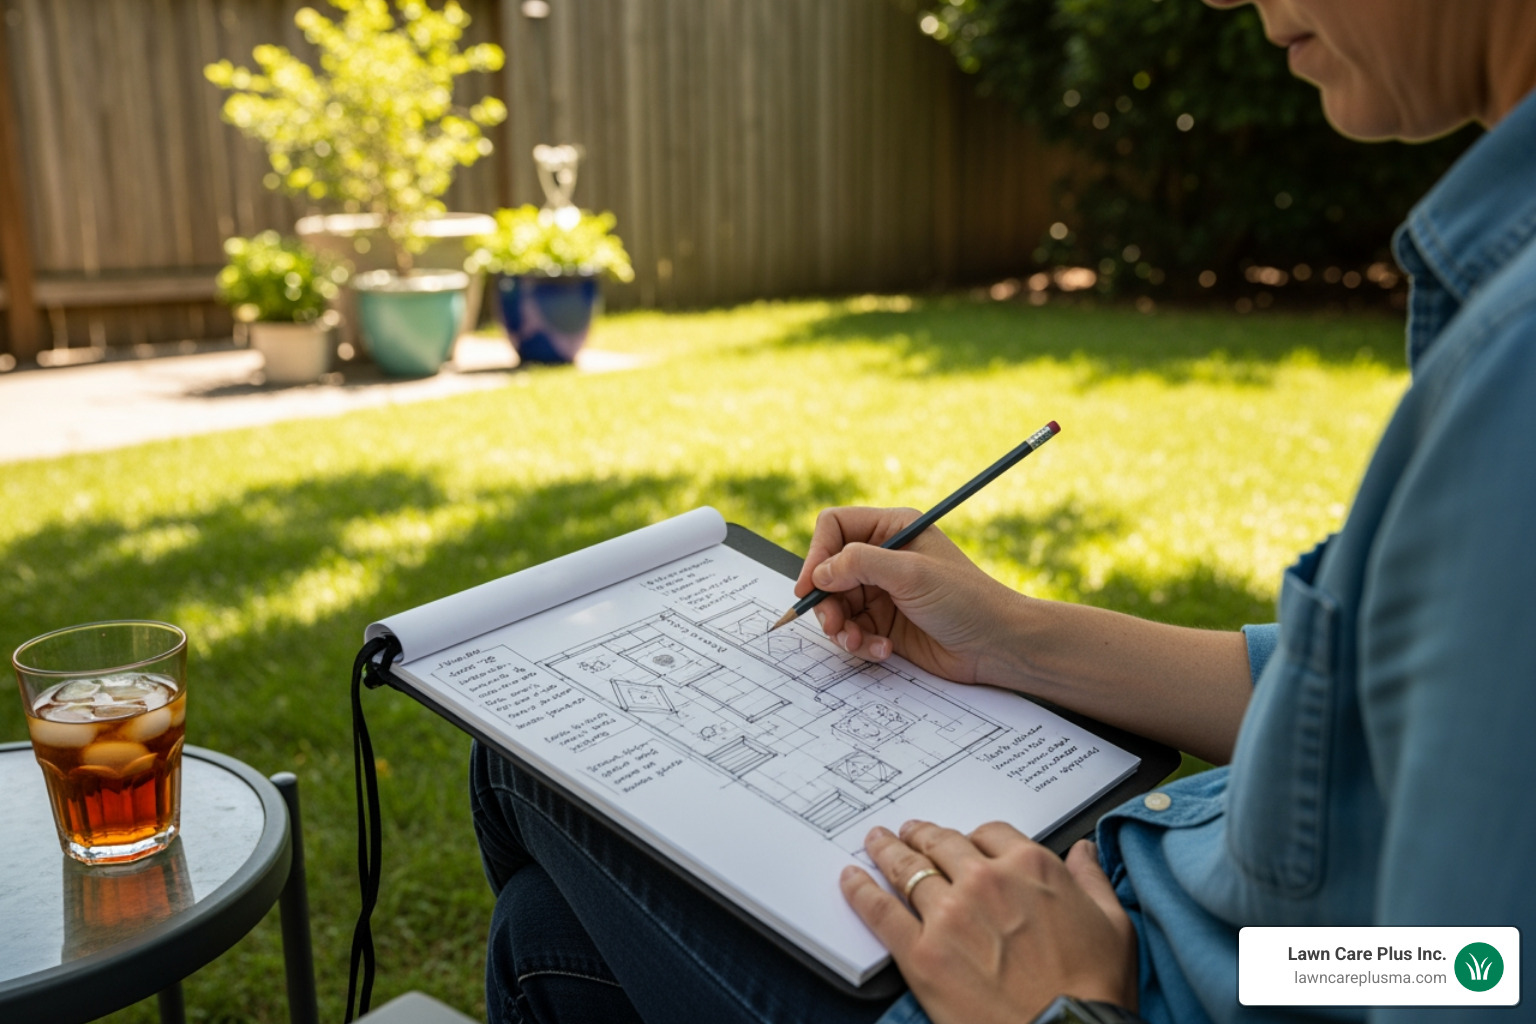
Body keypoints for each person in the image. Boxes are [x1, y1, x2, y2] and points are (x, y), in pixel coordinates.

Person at [470, 1, 1536, 1020]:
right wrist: (1008, 635)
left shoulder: (1519, 368)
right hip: (1154, 917)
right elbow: (1393, 783)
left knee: (517, 776)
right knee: (545, 940)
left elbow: (1475, 976)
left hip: (1066, 988)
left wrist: (1069, 1005)